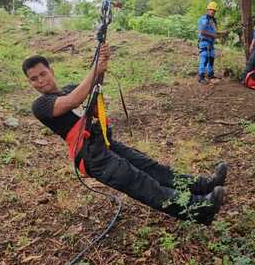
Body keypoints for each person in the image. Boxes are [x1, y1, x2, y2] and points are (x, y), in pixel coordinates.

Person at [22, 45, 227, 225]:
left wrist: (102, 62)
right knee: (141, 183)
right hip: (92, 157)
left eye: (43, 74)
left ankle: (203, 186)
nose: (40, 81)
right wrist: (96, 69)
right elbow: (72, 102)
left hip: (104, 143)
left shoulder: (69, 88)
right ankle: (200, 208)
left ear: (51, 71)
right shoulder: (40, 105)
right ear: (30, 83)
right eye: (34, 79)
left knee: (152, 168)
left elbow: (91, 96)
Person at [197, 2, 220, 84]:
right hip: (204, 42)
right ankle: (201, 76)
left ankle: (210, 74)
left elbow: (215, 32)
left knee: (211, 58)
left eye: (214, 10)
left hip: (211, 43)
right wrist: (213, 35)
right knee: (204, 59)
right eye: (211, 10)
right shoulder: (204, 19)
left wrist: (219, 34)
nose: (212, 12)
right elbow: (202, 31)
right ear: (207, 10)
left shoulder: (212, 21)